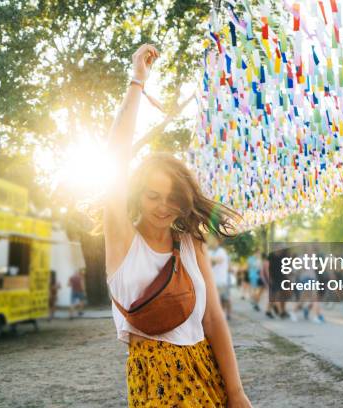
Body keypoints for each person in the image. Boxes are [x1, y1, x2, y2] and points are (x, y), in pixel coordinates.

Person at [102, 44, 252, 407]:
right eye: (153, 196)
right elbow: (115, 157)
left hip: (205, 371)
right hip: (155, 382)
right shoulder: (122, 238)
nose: (163, 207)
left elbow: (214, 319)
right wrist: (137, 80)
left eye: (173, 199)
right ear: (137, 194)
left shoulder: (189, 244)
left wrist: (235, 392)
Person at [210, 236, 232, 320]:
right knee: (219, 300)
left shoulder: (221, 251)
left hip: (222, 280)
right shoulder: (210, 252)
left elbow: (218, 260)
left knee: (225, 299)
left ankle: (227, 314)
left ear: (218, 242)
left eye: (213, 240)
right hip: (215, 280)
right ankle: (222, 316)